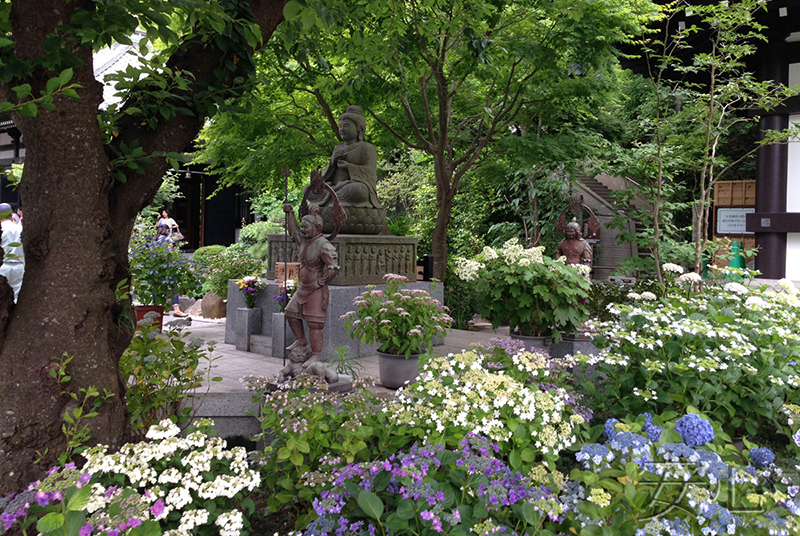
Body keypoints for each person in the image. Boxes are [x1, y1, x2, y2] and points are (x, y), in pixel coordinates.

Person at [282, 203, 340, 367]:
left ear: (317, 227)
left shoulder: (324, 245)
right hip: (303, 288)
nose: (303, 230)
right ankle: (301, 340)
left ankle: (316, 355)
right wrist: (290, 213)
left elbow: (334, 267)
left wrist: (321, 281)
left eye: (306, 227)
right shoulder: (304, 240)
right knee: (290, 313)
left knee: (315, 324)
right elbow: (293, 231)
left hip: (316, 288)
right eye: (303, 226)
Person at [304, 105, 383, 209]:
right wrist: (332, 162)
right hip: (334, 186)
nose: (342, 129)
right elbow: (327, 176)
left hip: (352, 187)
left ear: (360, 129)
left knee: (358, 190)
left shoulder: (366, 148)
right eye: (340, 126)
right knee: (308, 189)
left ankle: (331, 202)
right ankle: (332, 201)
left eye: (346, 125)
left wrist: (349, 167)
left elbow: (370, 172)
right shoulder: (338, 149)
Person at [155, 225, 189, 317]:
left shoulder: (155, 241)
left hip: (157, 267)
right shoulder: (167, 240)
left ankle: (159, 307)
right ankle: (177, 310)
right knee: (174, 287)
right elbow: (170, 252)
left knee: (158, 287)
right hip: (168, 266)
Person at [0, 202, 24, 303]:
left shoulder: (1, 229)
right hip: (19, 266)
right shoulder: (20, 228)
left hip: (3, 266)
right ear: (11, 215)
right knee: (16, 298)